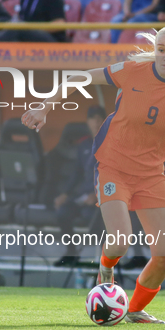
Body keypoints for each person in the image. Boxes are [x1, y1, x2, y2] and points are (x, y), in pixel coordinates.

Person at [22, 26, 165, 323]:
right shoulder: (132, 71)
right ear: (155, 49)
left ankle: (134, 310)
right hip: (113, 167)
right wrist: (45, 107)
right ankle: (106, 271)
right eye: (161, 49)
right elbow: (81, 77)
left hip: (151, 176)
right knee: (120, 242)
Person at [53, 105, 105, 267]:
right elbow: (76, 174)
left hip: (101, 199)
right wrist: (65, 194)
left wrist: (99, 195)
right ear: (87, 122)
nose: (96, 122)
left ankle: (104, 260)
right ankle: (71, 252)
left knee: (92, 217)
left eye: (99, 118)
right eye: (92, 118)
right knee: (63, 212)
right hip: (83, 196)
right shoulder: (84, 145)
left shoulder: (113, 143)